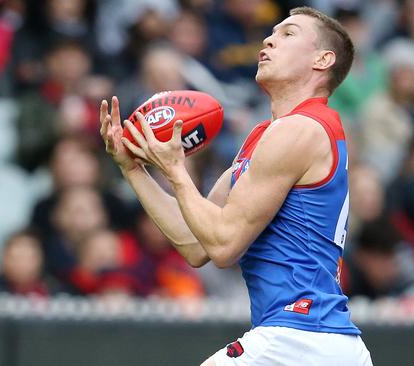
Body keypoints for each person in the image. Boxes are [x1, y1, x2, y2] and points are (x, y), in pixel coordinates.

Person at [100, 7, 372, 366]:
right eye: (272, 33)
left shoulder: (301, 128)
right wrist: (132, 168)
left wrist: (176, 169)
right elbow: (198, 244)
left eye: (288, 34)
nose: (269, 39)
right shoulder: (264, 137)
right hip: (314, 341)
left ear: (323, 60)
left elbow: (225, 245)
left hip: (301, 338)